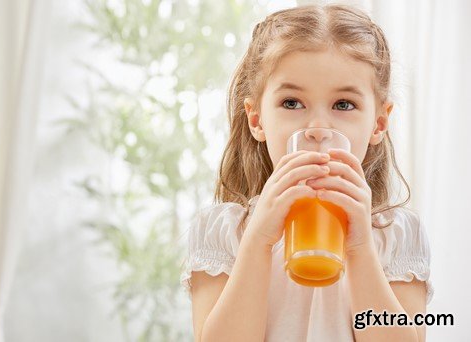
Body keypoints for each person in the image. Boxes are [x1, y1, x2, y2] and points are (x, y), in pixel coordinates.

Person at [179, 4, 433, 341]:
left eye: (343, 105)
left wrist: (360, 248)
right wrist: (257, 240)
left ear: (378, 123)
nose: (317, 129)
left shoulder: (397, 236)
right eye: (291, 103)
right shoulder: (225, 233)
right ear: (257, 120)